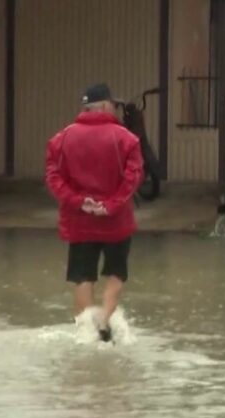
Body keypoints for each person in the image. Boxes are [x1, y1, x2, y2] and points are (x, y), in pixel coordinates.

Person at [44, 83, 144, 342]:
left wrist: (79, 202)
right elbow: (133, 178)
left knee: (82, 277)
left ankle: (87, 331)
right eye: (112, 103)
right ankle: (105, 319)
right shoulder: (126, 139)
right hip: (116, 222)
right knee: (116, 273)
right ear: (104, 106)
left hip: (80, 222)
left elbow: (54, 178)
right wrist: (111, 205)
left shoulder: (62, 139)